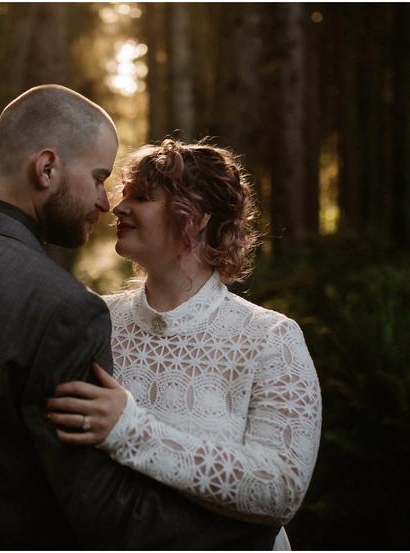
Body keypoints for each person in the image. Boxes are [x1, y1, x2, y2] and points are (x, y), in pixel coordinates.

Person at [0, 85, 282, 548]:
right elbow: (98, 511)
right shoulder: (65, 309)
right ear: (47, 168)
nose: (105, 202)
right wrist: (248, 533)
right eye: (99, 177)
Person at [46, 139, 322, 549]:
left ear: (193, 218)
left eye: (141, 197)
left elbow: (281, 489)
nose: (118, 207)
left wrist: (131, 432)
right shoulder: (94, 320)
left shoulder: (270, 338)